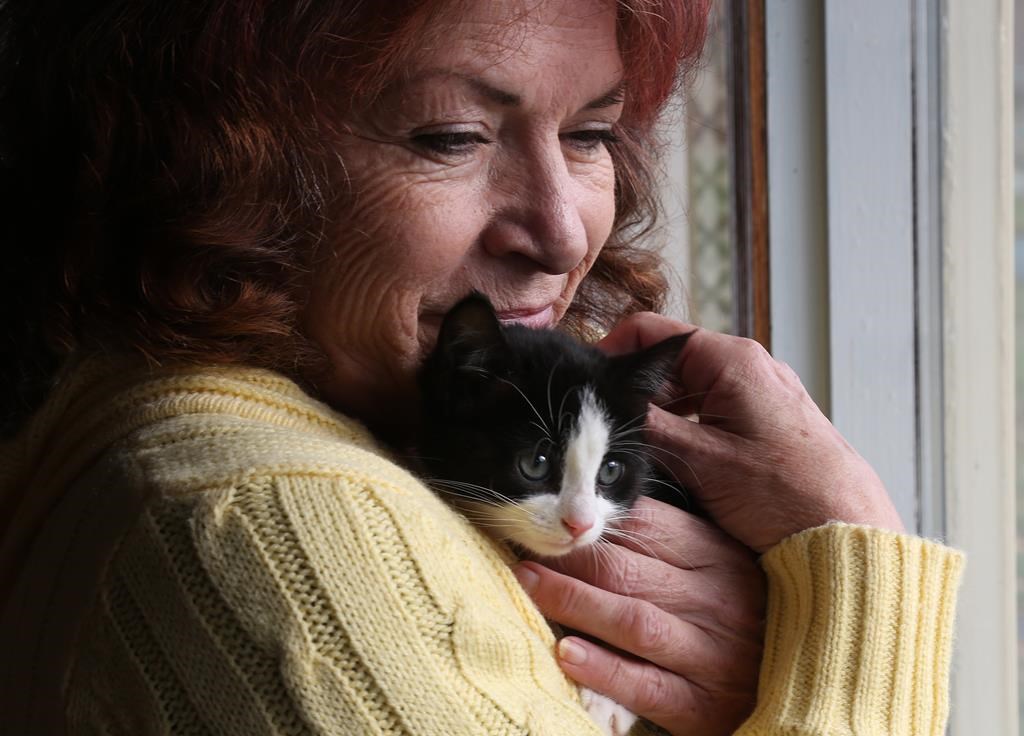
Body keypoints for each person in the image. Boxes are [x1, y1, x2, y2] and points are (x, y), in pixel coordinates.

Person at [0, 1, 962, 734]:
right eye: (450, 137)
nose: (560, 232)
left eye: (590, 135)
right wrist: (854, 591)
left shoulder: (139, 417)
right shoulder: (280, 526)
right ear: (209, 161)